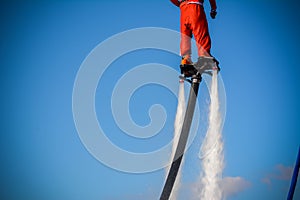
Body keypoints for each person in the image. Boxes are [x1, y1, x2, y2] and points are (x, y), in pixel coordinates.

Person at [170, 0, 217, 66]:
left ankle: (185, 59)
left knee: (185, 36)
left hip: (183, 9)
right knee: (201, 32)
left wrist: (180, 4)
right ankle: (204, 56)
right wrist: (213, 9)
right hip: (195, 6)